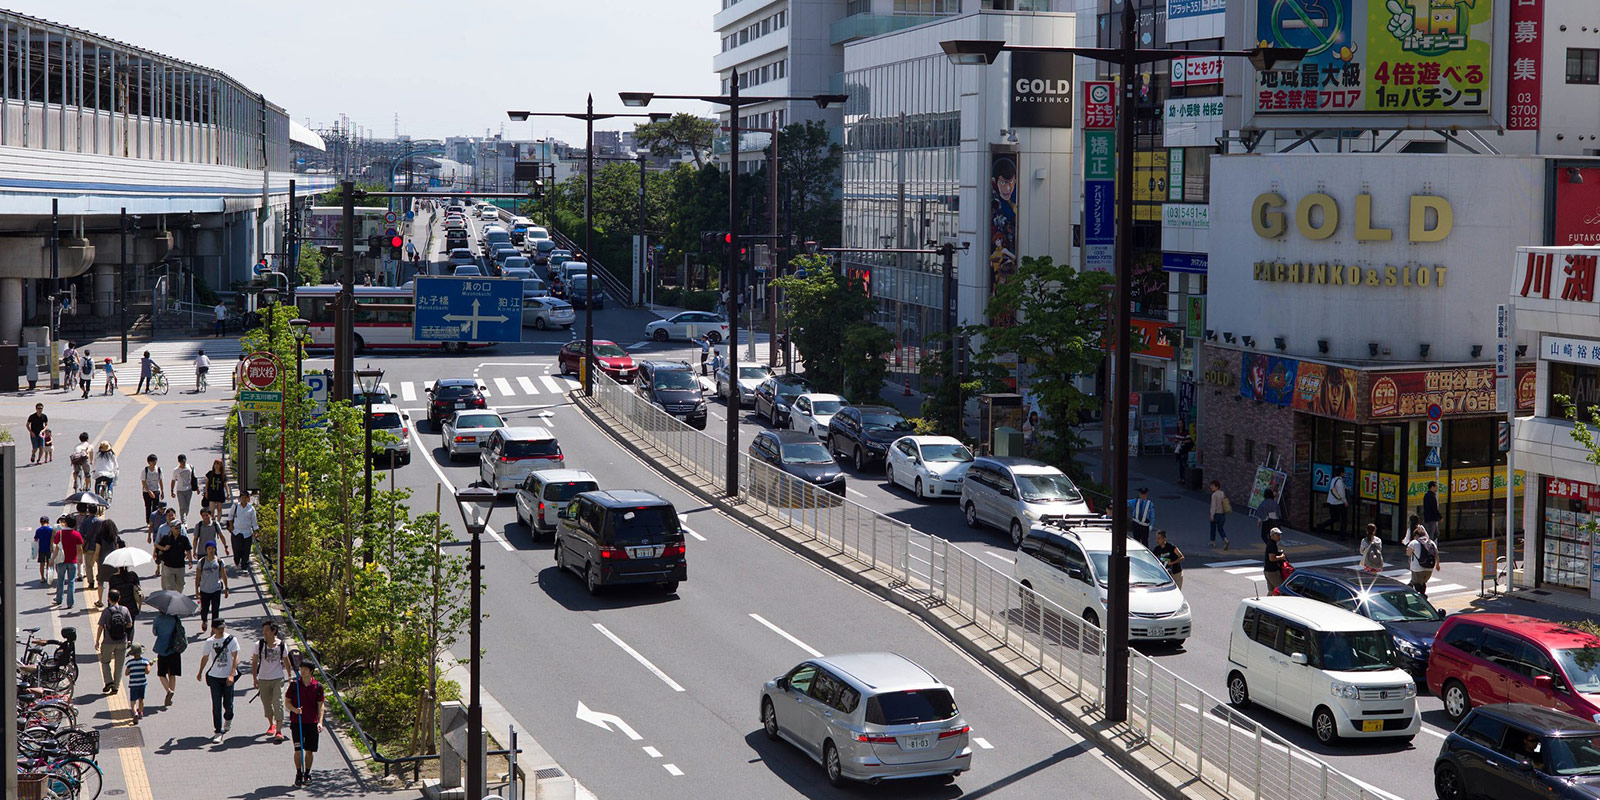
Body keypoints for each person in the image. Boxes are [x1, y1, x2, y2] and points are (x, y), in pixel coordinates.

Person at [196, 618, 239, 742]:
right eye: (219, 628)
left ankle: (229, 717)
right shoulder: (210, 641)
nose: (221, 630)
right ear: (213, 628)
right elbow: (205, 657)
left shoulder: (231, 639)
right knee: (216, 704)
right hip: (214, 676)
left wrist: (231, 674)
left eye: (223, 627)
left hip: (228, 677)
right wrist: (200, 671)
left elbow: (235, 657)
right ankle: (218, 731)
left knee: (228, 704)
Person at [286, 658, 325, 786]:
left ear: (311, 671)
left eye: (305, 669)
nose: (302, 671)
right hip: (297, 722)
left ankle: (307, 773)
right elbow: (287, 702)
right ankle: (298, 773)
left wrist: (320, 722)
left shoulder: (318, 687)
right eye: (301, 669)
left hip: (312, 723)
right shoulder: (294, 685)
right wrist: (294, 710)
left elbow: (321, 705)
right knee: (298, 750)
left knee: (309, 751)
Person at [253, 621, 289, 741]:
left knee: (277, 702)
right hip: (263, 678)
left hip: (278, 677)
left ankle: (278, 731)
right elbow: (254, 662)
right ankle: (271, 724)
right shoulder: (259, 644)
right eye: (263, 631)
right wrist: (255, 678)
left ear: (273, 631)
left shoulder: (281, 645)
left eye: (267, 630)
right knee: (266, 703)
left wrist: (290, 676)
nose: (264, 633)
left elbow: (286, 661)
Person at [96, 589, 133, 694]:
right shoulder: (125, 610)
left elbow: (100, 627)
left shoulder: (106, 612)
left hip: (108, 641)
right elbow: (130, 625)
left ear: (108, 598)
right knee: (119, 665)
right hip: (122, 641)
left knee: (105, 661)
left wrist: (97, 641)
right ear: (119, 598)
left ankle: (108, 681)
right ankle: (116, 687)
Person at [151, 607, 183, 706]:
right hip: (174, 649)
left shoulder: (157, 620)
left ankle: (168, 691)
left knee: (161, 674)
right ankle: (171, 692)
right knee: (172, 674)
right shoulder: (175, 618)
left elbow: (155, 633)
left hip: (162, 649)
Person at [194, 543, 228, 635]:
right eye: (209, 548)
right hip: (204, 589)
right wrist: (196, 590)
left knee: (215, 610)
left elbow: (224, 575)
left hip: (216, 589)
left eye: (213, 548)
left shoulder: (219, 561)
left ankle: (214, 628)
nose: (211, 550)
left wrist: (226, 588)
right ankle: (204, 621)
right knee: (204, 609)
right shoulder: (201, 562)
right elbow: (197, 577)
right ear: (206, 550)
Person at [153, 510, 191, 592]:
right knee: (169, 585)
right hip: (167, 563)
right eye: (169, 515)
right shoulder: (163, 530)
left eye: (179, 528)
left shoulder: (182, 534)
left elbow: (187, 544)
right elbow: (157, 543)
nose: (178, 529)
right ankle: (167, 595)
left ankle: (176, 598)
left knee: (180, 585)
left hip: (180, 562)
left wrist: (189, 558)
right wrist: (162, 550)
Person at [52, 518, 84, 609]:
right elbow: (80, 548)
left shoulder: (60, 533)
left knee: (60, 580)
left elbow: (56, 547)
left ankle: (59, 599)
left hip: (61, 561)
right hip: (72, 561)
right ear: (74, 525)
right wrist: (80, 559)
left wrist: (52, 560)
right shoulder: (77, 534)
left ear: (65, 524)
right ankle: (70, 602)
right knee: (71, 582)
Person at [106, 566, 142, 639]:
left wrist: (109, 608)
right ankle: (129, 642)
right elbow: (138, 588)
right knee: (130, 626)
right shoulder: (133, 575)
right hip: (132, 606)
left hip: (119, 608)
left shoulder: (113, 578)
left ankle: (120, 643)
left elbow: (111, 594)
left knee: (119, 626)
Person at [230, 490, 259, 571]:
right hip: (236, 532)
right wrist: (232, 528)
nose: (244, 500)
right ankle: (237, 561)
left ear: (248, 499)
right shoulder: (235, 506)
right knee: (237, 550)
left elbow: (254, 520)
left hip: (247, 533)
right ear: (240, 498)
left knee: (246, 550)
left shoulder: (251, 509)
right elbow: (230, 517)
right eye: (242, 498)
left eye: (246, 498)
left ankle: (244, 566)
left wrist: (256, 531)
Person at [1406, 525, 1439, 595]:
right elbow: (1436, 553)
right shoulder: (1431, 542)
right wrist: (1437, 565)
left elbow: (1408, 553)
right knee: (1422, 583)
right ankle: (1420, 595)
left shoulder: (1414, 542)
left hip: (1417, 568)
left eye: (1414, 536)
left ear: (1417, 535)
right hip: (1429, 568)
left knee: (1417, 584)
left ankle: (1422, 598)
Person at [125, 643, 151, 721]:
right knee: (141, 699)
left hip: (133, 684)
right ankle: (140, 712)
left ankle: (134, 712)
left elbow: (126, 673)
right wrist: (149, 664)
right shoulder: (145, 661)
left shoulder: (130, 663)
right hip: (142, 683)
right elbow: (147, 672)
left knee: (133, 700)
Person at [171, 454, 196, 524]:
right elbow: (173, 480)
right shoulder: (176, 470)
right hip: (180, 490)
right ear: (179, 462)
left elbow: (194, 478)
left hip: (189, 489)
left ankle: (185, 517)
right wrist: (172, 491)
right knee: (182, 506)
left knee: (187, 507)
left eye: (184, 462)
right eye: (181, 462)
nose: (183, 463)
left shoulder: (190, 467)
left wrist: (197, 488)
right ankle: (184, 522)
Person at [140, 454, 164, 524]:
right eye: (153, 461)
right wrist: (149, 491)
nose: (154, 462)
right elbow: (143, 482)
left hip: (156, 490)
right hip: (146, 492)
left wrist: (162, 491)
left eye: (155, 461)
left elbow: (160, 480)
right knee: (148, 507)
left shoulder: (159, 470)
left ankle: (154, 522)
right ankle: (148, 522)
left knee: (155, 508)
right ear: (149, 462)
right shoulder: (145, 470)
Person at [1324, 469, 1349, 536]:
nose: (1344, 474)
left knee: (1334, 518)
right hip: (1339, 503)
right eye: (1343, 472)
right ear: (1341, 473)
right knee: (1343, 519)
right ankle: (1342, 535)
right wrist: (1345, 501)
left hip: (1331, 502)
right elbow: (1341, 493)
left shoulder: (1333, 479)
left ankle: (1321, 526)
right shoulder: (1339, 481)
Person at [1208, 480, 1231, 549]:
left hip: (1216, 514)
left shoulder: (1214, 495)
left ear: (1217, 487)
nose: (1211, 487)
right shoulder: (1222, 493)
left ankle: (1212, 541)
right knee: (1220, 529)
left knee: (1213, 528)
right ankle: (1225, 539)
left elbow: (1213, 506)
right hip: (1222, 514)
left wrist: (1211, 515)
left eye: (1213, 486)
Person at [1263, 527, 1288, 592]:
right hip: (1272, 572)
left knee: (1271, 591)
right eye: (1278, 535)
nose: (1280, 536)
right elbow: (1272, 558)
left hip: (1268, 571)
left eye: (1280, 535)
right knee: (1281, 590)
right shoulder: (1272, 545)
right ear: (1272, 535)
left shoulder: (1271, 543)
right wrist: (1282, 557)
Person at [33, 515, 54, 585]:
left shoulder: (38, 530)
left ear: (40, 522)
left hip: (41, 549)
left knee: (42, 563)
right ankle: (48, 576)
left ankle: (42, 577)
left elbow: (36, 539)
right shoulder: (51, 529)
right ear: (48, 522)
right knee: (49, 563)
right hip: (49, 549)